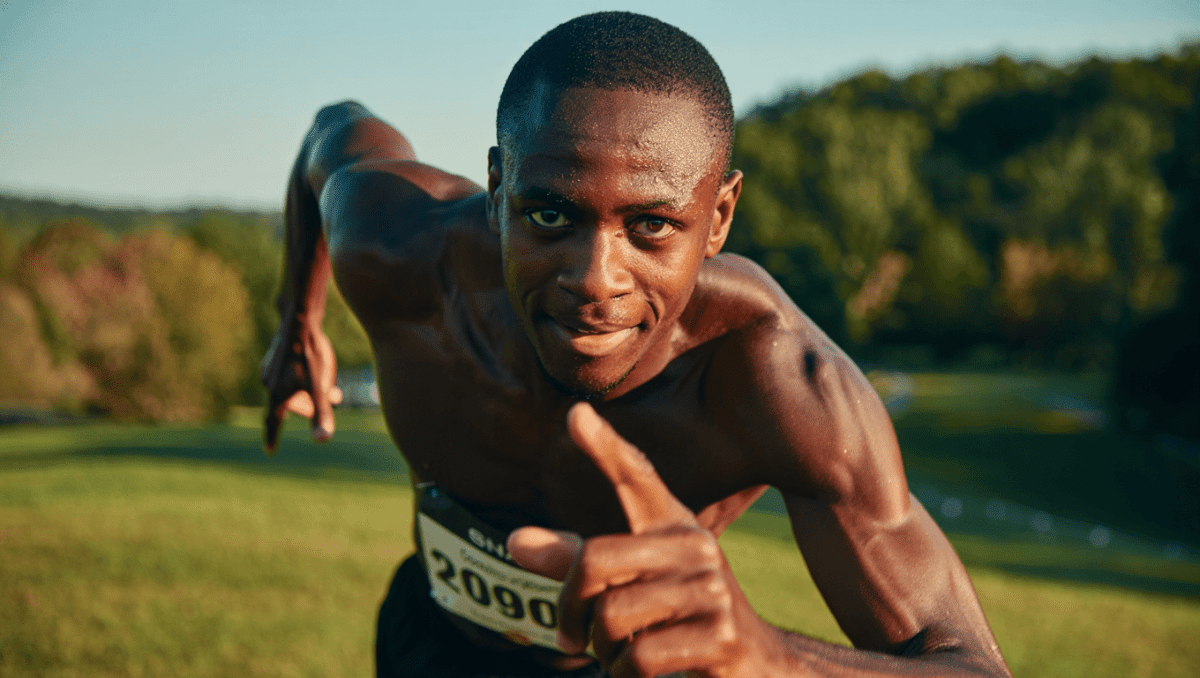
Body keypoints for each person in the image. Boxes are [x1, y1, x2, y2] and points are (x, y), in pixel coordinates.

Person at [261, 11, 1012, 678]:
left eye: (652, 225)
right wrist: (297, 320)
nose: (595, 280)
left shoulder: (775, 379)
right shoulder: (401, 247)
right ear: (497, 188)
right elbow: (331, 132)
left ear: (718, 217)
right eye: (550, 215)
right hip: (427, 639)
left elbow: (973, 667)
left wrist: (773, 660)